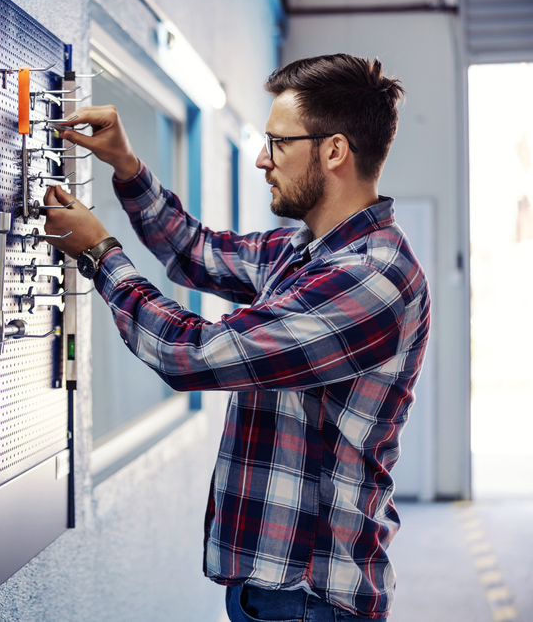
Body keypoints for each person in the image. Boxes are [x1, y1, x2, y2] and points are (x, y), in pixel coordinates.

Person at [42, 53, 429, 622]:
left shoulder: (370, 278)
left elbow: (191, 355)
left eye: (277, 143)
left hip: (310, 597)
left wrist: (100, 254)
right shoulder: (305, 253)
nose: (260, 158)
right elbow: (194, 250)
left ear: (334, 151)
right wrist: (126, 166)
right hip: (275, 591)